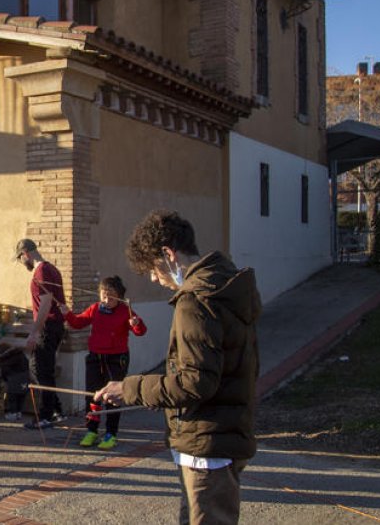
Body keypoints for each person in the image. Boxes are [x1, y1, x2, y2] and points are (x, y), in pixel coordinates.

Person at [95, 210, 260, 525]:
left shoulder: (195, 301)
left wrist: (130, 387)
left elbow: (195, 382)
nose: (154, 279)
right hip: (222, 435)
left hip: (207, 443)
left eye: (152, 269)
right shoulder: (224, 287)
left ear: (168, 255)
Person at [64, 276, 147, 450]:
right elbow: (78, 323)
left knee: (112, 397)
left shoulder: (125, 311)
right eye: (104, 295)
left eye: (111, 296)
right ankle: (91, 431)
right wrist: (66, 313)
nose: (107, 300)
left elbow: (140, 332)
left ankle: (110, 434)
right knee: (92, 396)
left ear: (119, 296)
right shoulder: (95, 308)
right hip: (95, 358)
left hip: (116, 359)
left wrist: (136, 324)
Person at [14, 238, 68, 429]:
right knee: (46, 369)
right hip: (56, 325)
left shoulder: (42, 271)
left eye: (20, 259)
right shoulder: (52, 269)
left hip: (48, 326)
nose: (22, 263)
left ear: (25, 254)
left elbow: (45, 303)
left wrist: (34, 332)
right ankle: (56, 410)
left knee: (39, 369)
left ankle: (46, 416)